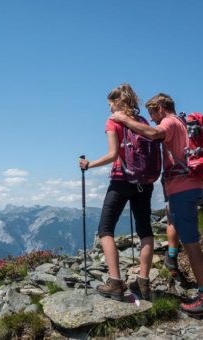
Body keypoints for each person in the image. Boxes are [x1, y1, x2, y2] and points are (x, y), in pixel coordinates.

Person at [110, 93, 203, 317]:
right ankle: (172, 258)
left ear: (161, 108)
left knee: (191, 243)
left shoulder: (169, 122)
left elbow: (154, 133)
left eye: (153, 113)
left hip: (183, 188)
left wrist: (124, 120)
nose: (152, 119)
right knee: (172, 217)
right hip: (194, 186)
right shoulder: (182, 122)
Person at [79, 83, 155, 301]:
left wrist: (89, 164)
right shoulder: (141, 122)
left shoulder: (113, 121)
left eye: (110, 104)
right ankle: (143, 282)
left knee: (105, 229)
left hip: (122, 179)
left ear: (116, 102)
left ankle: (115, 283)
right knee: (145, 231)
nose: (109, 109)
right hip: (144, 181)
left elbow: (113, 155)